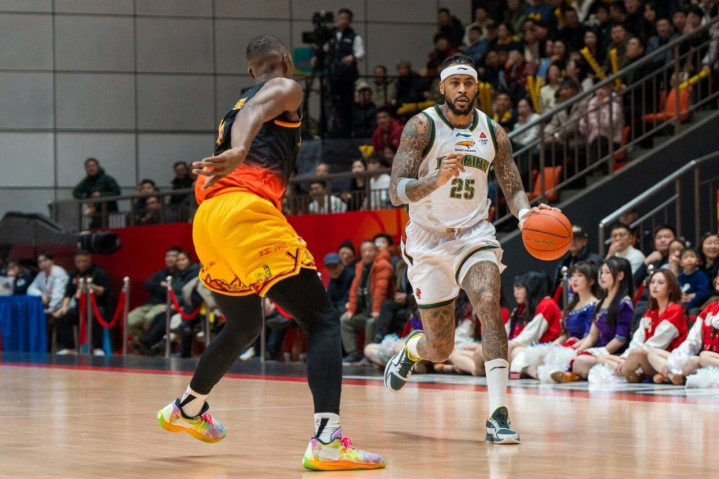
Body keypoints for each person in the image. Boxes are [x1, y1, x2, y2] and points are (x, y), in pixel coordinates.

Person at [156, 35, 384, 471]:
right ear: (284, 61)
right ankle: (327, 442)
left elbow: (251, 113)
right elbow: (259, 110)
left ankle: (188, 407)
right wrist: (240, 151)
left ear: (249, 71)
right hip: (245, 211)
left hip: (209, 220)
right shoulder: (286, 87)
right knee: (322, 320)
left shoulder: (234, 108)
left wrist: (236, 148)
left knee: (244, 324)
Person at [384, 54, 556, 444]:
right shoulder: (422, 126)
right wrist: (434, 180)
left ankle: (498, 415)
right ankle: (412, 350)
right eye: (455, 83)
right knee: (440, 347)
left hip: (474, 234)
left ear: (477, 87)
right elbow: (396, 190)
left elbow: (512, 185)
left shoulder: (493, 132)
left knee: (489, 303)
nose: (462, 89)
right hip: (427, 238)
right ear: (442, 87)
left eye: (468, 83)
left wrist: (525, 214)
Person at [551, 257, 635, 383]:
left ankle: (576, 374)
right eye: (602, 272)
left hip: (614, 353)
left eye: (607, 273)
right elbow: (591, 337)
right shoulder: (600, 303)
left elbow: (620, 339)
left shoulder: (624, 303)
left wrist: (602, 351)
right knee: (572, 357)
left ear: (620, 276)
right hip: (599, 350)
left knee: (581, 361)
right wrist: (577, 351)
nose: (602, 276)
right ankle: (575, 374)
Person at [615, 269, 688, 383]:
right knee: (602, 357)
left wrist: (627, 359)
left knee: (637, 353)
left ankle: (628, 372)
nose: (654, 286)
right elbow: (637, 340)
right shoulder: (651, 312)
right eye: (652, 282)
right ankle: (631, 372)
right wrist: (624, 358)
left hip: (667, 358)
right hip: (649, 357)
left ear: (670, 288)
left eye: (660, 283)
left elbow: (657, 344)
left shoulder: (675, 310)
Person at [552, 224, 603, 291]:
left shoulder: (594, 260)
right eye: (570, 238)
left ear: (584, 241)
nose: (573, 241)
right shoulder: (565, 262)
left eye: (577, 238)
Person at [27, 251, 69, 316]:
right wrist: (41, 295)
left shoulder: (59, 272)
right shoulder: (40, 275)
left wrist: (50, 309)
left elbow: (58, 295)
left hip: (63, 306)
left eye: (45, 260)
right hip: (50, 307)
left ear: (52, 261)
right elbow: (30, 289)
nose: (42, 263)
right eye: (40, 262)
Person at [677, 248, 710, 315]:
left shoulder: (701, 276)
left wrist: (688, 305)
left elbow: (703, 294)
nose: (689, 259)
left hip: (697, 305)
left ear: (697, 261)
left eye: (692, 256)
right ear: (681, 263)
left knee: (692, 312)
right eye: (685, 257)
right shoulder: (680, 277)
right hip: (682, 303)